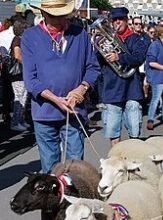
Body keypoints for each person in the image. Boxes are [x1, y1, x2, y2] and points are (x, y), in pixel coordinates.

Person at [22, 0, 100, 173]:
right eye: (53, 16)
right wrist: (56, 100)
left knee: (76, 168)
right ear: (43, 14)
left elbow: (93, 68)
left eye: (62, 15)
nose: (59, 19)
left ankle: (75, 199)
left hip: (74, 111)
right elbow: (30, 79)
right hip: (44, 113)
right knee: (51, 169)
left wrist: (81, 89)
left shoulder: (80, 35)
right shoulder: (30, 37)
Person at [99, 7, 149, 146]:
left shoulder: (135, 39)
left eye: (121, 19)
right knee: (113, 130)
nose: (117, 22)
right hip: (112, 88)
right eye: (114, 20)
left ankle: (132, 159)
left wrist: (119, 57)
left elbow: (139, 58)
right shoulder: (106, 39)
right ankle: (117, 161)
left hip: (132, 88)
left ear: (127, 21)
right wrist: (101, 51)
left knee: (134, 130)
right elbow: (97, 60)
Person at [145, 25, 163, 130]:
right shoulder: (155, 45)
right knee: (156, 98)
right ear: (162, 33)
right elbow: (151, 62)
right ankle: (150, 120)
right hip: (158, 76)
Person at [9, 18, 29, 132]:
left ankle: (20, 120)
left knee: (23, 97)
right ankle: (16, 122)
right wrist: (28, 64)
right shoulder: (17, 40)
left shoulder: (19, 39)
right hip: (18, 74)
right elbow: (17, 55)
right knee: (20, 98)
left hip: (20, 74)